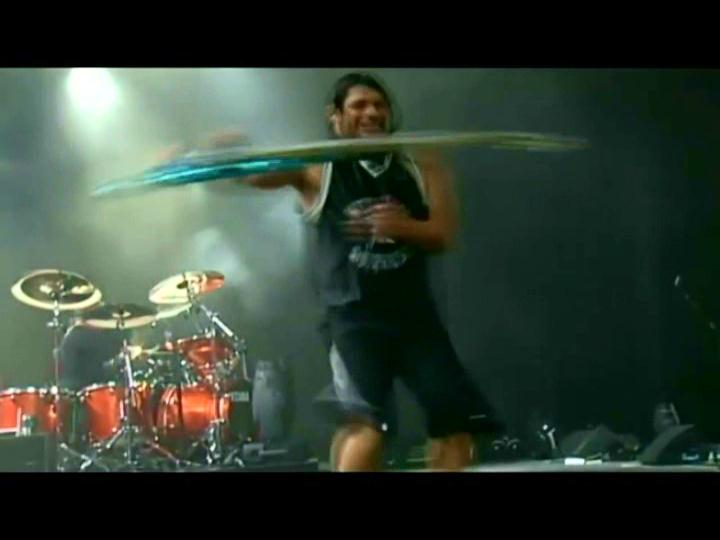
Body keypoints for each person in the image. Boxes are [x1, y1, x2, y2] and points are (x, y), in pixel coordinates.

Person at [191, 72, 500, 471]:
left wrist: (402, 227)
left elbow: (443, 233)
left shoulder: (422, 164)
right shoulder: (318, 169)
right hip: (353, 320)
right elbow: (250, 177)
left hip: (416, 318)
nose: (371, 112)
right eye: (359, 106)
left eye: (379, 105)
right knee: (366, 426)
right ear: (335, 117)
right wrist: (215, 155)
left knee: (455, 426)